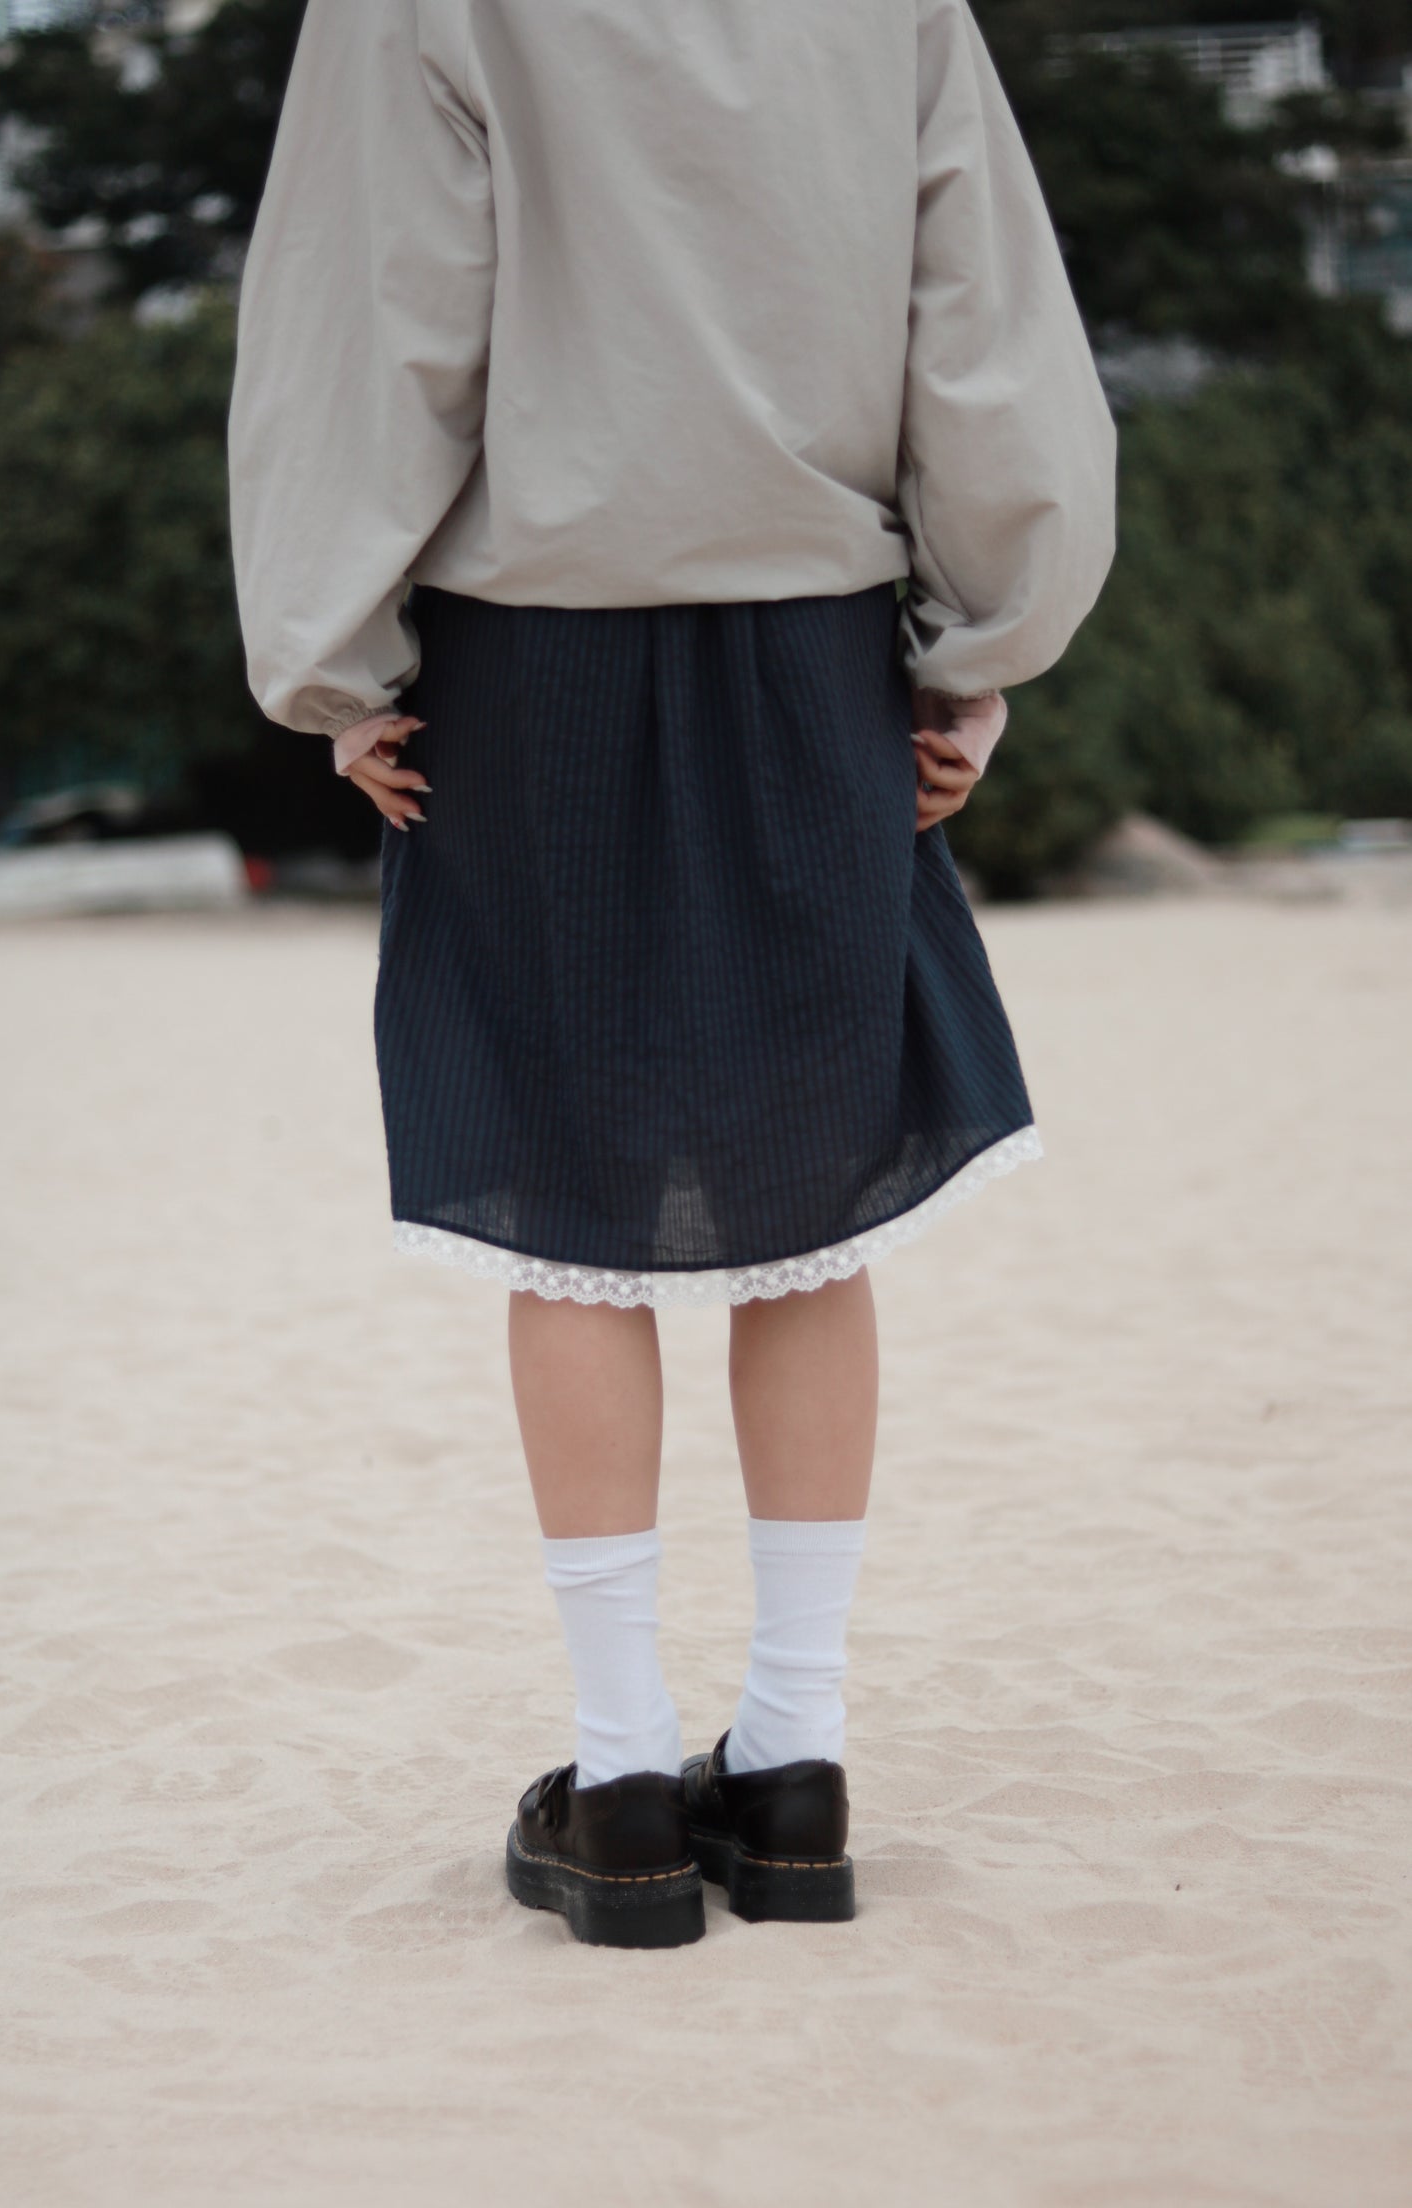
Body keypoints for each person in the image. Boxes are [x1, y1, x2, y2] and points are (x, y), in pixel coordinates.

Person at [228, 0, 1115, 1950]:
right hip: (814, 640)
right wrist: (981, 641)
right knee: (813, 1202)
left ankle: (625, 1783)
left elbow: (380, 316)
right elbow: (976, 312)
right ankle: (794, 1765)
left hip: (528, 650)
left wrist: (335, 659)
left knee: (572, 1219)